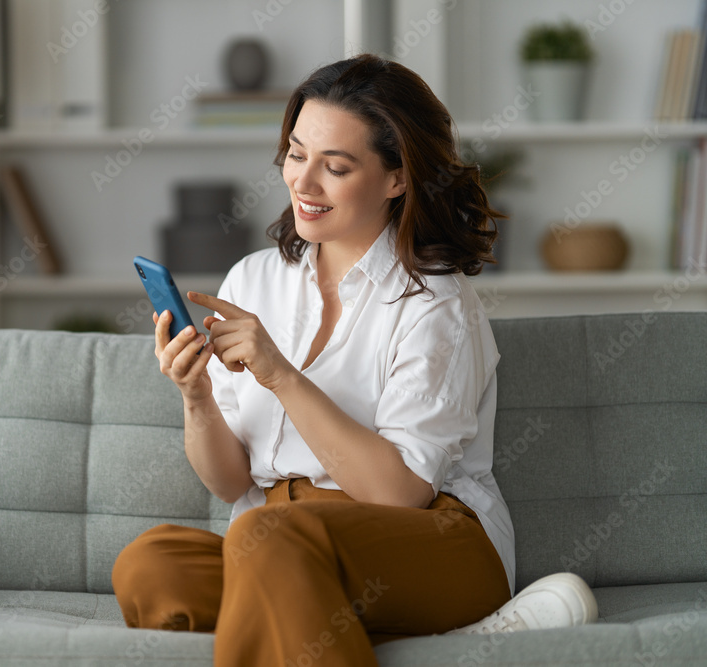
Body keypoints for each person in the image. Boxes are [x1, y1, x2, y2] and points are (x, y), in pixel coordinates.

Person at [112, 54, 597, 666]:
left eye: (335, 167)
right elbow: (231, 481)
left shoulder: (434, 301)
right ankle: (440, 639)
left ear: (397, 178)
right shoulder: (253, 280)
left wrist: (282, 376)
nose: (303, 183)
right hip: (281, 538)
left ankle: (424, 614)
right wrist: (196, 396)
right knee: (152, 567)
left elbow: (397, 494)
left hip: (434, 541)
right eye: (296, 154)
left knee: (268, 538)